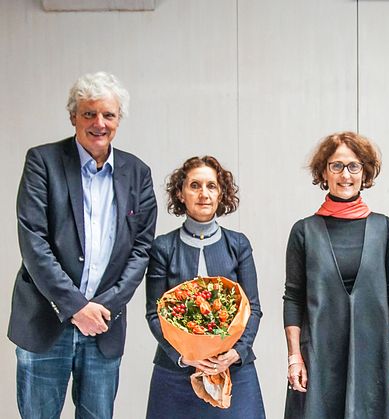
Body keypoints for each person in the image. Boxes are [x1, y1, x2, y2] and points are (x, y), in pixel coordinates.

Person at [9, 72, 157, 418]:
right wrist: (76, 307)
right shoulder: (42, 162)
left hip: (104, 325)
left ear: (119, 120)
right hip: (45, 322)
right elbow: (34, 242)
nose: (99, 123)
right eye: (89, 114)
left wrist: (102, 307)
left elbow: (141, 249)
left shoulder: (137, 172)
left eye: (108, 115)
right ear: (73, 116)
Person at [283, 131, 389, 418]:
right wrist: (295, 357)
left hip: (375, 356)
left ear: (364, 173)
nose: (346, 174)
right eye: (337, 166)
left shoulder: (384, 229)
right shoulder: (303, 231)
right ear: (324, 172)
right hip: (319, 356)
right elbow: (293, 298)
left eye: (354, 166)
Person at [144, 156, 265, 418]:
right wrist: (184, 357)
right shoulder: (163, 247)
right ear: (180, 193)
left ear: (221, 194)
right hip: (175, 371)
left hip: (234, 368)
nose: (204, 194)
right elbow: (154, 314)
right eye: (195, 185)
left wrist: (235, 353)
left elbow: (253, 308)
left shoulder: (238, 244)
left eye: (211, 186)